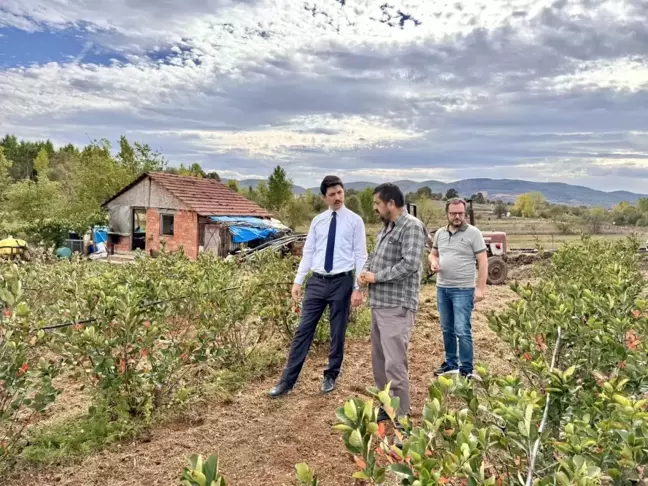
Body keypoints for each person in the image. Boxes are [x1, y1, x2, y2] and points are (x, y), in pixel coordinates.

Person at [268, 175, 367, 397]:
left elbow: (361, 255)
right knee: (303, 331)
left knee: (337, 332)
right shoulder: (318, 222)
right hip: (317, 282)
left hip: (342, 281)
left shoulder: (355, 221)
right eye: (332, 194)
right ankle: (287, 382)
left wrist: (358, 288)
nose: (337, 197)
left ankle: (331, 375)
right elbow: (309, 252)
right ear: (324, 198)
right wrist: (298, 280)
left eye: (340, 192)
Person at [359, 183, 427, 422]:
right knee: (380, 363)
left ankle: (402, 416)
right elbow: (373, 257)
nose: (376, 209)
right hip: (379, 304)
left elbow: (410, 265)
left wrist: (376, 277)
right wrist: (365, 273)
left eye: (378, 204)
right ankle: (387, 407)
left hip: (397, 306)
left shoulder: (412, 227)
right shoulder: (387, 228)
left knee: (395, 364)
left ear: (391, 204)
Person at [428, 197, 488, 379]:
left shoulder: (474, 233)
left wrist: (480, 289)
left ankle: (466, 369)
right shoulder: (440, 233)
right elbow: (433, 254)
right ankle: (451, 364)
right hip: (443, 288)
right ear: (447, 213)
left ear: (464, 213)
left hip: (463, 289)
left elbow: (483, 262)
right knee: (447, 328)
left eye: (460, 213)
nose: (457, 217)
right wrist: (433, 262)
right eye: (453, 213)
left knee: (462, 329)